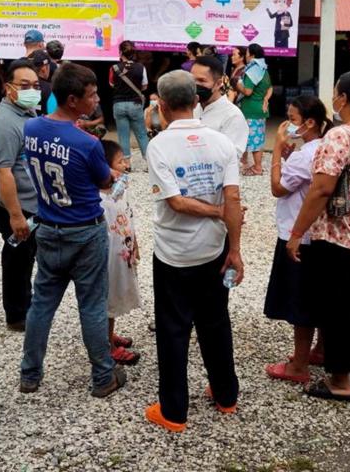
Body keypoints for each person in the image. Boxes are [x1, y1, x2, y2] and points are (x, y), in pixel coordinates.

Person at [143, 70, 243, 433]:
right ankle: (225, 395)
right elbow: (233, 198)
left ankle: (174, 411)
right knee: (216, 322)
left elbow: (176, 202)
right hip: (214, 249)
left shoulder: (158, 146)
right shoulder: (221, 143)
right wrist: (236, 250)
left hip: (174, 254)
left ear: (163, 105)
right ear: (197, 101)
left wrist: (217, 213)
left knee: (173, 329)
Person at [19, 62, 126, 398]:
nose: (96, 101)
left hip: (49, 227)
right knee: (92, 305)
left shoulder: (32, 128)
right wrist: (112, 174)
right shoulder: (87, 143)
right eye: (91, 96)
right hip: (85, 229)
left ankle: (30, 375)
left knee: (42, 304)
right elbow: (104, 180)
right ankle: (102, 377)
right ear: (71, 100)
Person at [286, 71, 350, 402]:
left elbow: (321, 188)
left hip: (338, 235)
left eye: (335, 93)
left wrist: (297, 232)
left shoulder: (340, 136)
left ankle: (340, 379)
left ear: (342, 99)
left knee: (338, 307)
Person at [264, 95, 331, 384]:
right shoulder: (326, 148)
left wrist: (277, 152)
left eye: (292, 120)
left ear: (310, 122)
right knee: (320, 296)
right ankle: (322, 349)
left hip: (297, 234)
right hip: (322, 235)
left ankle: (299, 365)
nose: (287, 126)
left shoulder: (306, 155)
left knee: (300, 301)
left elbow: (279, 188)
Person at [0, 59, 43, 332]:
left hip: (31, 203)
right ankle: (17, 314)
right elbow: (3, 172)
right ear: (9, 88)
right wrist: (16, 214)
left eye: (35, 85)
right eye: (24, 85)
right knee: (17, 257)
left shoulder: (26, 114)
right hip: (17, 206)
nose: (31, 90)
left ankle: (26, 304)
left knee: (26, 255)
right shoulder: (5, 124)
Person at [98, 139, 142, 366]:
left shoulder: (120, 189)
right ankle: (107, 345)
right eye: (120, 161)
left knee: (114, 296)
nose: (126, 164)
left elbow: (129, 215)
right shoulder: (97, 199)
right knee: (107, 298)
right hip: (108, 258)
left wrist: (136, 243)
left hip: (123, 252)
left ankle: (109, 334)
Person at [192, 55, 249, 157]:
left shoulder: (233, 116)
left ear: (218, 83)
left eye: (202, 81)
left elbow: (231, 158)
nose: (195, 85)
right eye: (192, 80)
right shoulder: (192, 108)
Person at [108, 40, 150, 161]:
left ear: (120, 52)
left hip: (119, 104)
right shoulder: (141, 67)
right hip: (135, 103)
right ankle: (148, 162)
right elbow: (145, 86)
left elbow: (111, 84)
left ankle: (126, 163)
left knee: (123, 135)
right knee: (142, 134)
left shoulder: (114, 68)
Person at [238, 43, 272, 174]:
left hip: (250, 110)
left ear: (251, 55)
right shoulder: (264, 69)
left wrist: (237, 85)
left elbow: (247, 92)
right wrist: (266, 98)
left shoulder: (252, 71)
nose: (245, 56)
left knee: (252, 139)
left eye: (246, 53)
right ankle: (246, 163)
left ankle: (257, 168)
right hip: (261, 109)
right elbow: (270, 88)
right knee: (256, 138)